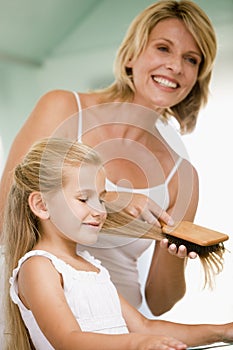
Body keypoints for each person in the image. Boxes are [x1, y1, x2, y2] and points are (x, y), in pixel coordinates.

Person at [0, 0, 217, 316]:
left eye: (191, 59)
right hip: (37, 319)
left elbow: (159, 301)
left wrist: (177, 252)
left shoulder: (183, 177)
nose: (176, 66)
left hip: (119, 328)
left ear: (196, 77)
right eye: (163, 48)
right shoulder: (63, 109)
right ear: (131, 56)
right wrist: (109, 199)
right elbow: (7, 209)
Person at [3, 137, 233, 350]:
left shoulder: (93, 268)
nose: (100, 211)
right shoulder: (39, 267)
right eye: (84, 199)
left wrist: (222, 331)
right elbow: (68, 340)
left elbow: (145, 327)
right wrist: (138, 344)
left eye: (102, 199)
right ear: (42, 205)